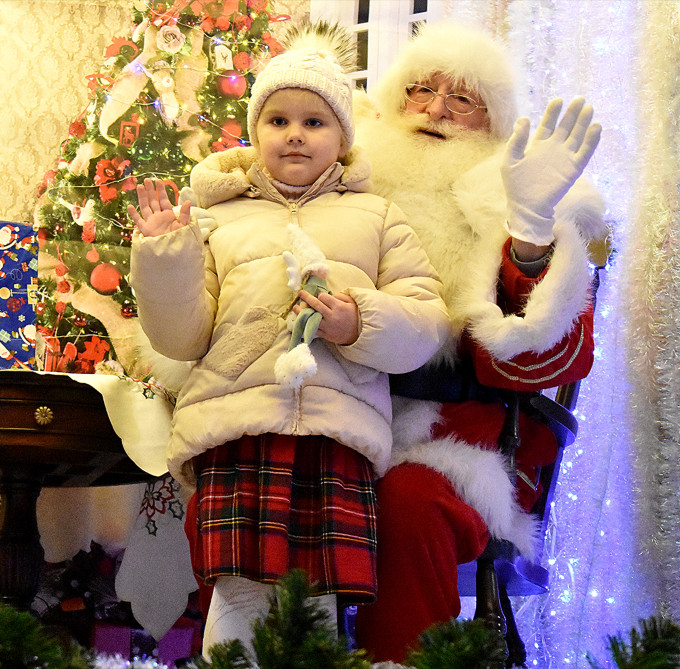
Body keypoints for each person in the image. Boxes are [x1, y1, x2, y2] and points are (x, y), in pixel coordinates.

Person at [127, 23, 450, 658]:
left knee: (314, 604)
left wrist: (356, 322)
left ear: (342, 139)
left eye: (314, 121)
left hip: (334, 433)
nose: (295, 134)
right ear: (255, 133)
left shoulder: (380, 216)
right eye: (277, 120)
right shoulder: (220, 217)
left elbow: (426, 321)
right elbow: (183, 335)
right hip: (238, 429)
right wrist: (165, 256)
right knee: (237, 594)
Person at [350, 22, 606, 662]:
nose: (435, 110)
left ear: (495, 120)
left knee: (405, 501)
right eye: (420, 89)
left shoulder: (525, 195)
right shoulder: (344, 177)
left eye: (462, 99)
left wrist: (528, 233)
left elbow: (544, 356)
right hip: (334, 418)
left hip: (453, 441)